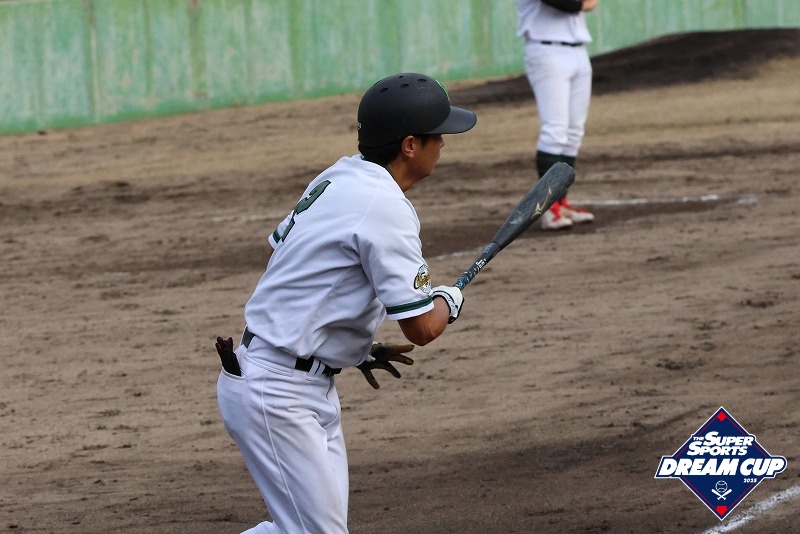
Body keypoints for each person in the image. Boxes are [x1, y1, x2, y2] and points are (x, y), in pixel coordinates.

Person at [214, 72, 477, 533]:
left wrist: (345, 344)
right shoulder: (386, 206)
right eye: (437, 135)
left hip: (291, 378)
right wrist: (447, 301)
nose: (443, 144)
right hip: (277, 392)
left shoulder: (340, 174)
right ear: (410, 145)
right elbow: (421, 328)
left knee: (302, 529)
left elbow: (290, 258)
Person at [516, 0, 598, 229]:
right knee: (555, 131)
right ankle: (547, 208)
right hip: (546, 51)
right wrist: (585, 3)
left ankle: (561, 202)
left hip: (578, 50)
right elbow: (567, 3)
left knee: (573, 132)